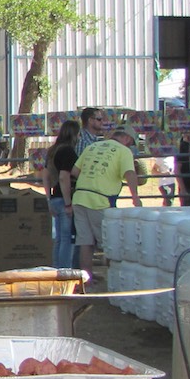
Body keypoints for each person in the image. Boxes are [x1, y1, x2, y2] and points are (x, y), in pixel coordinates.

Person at [70, 127, 141, 283]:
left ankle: (86, 278)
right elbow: (130, 173)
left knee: (85, 242)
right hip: (100, 200)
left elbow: (75, 171)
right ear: (127, 139)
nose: (130, 147)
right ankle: (114, 278)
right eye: (131, 143)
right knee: (110, 241)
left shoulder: (93, 146)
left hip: (80, 197)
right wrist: (135, 198)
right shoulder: (123, 151)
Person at [42, 119, 79, 270]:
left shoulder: (52, 151)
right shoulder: (68, 151)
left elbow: (45, 176)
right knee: (67, 239)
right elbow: (64, 177)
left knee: (58, 239)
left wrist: (48, 198)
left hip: (54, 198)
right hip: (65, 200)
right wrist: (68, 203)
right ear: (74, 134)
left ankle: (56, 269)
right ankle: (64, 272)